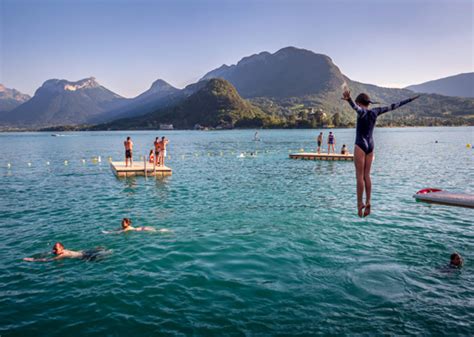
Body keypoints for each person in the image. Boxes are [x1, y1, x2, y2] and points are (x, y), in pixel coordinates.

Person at [342, 89, 419, 217]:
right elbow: (393, 106)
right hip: (371, 146)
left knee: (359, 176)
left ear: (360, 103)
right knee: (367, 175)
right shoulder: (375, 112)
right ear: (369, 103)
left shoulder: (361, 112)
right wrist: (409, 100)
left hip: (360, 145)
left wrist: (349, 100)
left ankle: (359, 203)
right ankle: (368, 201)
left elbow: (356, 109)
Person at [23, 242, 107, 262]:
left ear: (62, 249)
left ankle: (106, 253)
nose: (55, 250)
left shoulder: (62, 254)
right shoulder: (58, 251)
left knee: (100, 256)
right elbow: (49, 254)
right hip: (81, 252)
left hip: (84, 256)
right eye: (54, 248)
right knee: (100, 249)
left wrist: (33, 260)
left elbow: (50, 260)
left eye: (56, 249)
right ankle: (101, 249)